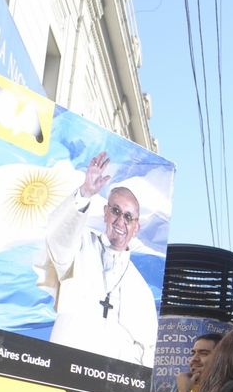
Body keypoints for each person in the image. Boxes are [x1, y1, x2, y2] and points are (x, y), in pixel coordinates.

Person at [39, 151, 158, 365]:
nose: (120, 221)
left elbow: (147, 352)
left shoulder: (141, 289)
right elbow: (57, 237)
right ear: (105, 212)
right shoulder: (80, 244)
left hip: (108, 385)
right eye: (116, 211)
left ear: (136, 227)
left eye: (128, 217)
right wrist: (85, 192)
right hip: (63, 366)